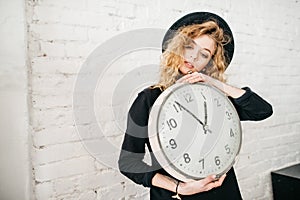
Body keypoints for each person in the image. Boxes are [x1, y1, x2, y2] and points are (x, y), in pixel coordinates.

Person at [118, 12, 273, 200]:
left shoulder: (217, 98)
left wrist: (217, 84)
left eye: (204, 54)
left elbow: (263, 110)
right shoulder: (149, 99)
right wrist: (180, 188)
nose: (193, 57)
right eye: (189, 46)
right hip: (176, 196)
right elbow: (128, 163)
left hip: (223, 192)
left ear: (209, 63)